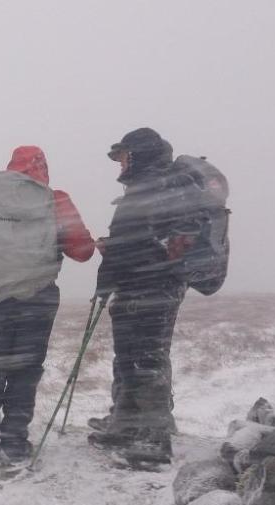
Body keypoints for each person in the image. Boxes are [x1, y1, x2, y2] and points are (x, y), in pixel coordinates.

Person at [0, 146, 94, 466]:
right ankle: (14, 442)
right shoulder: (55, 200)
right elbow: (82, 250)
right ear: (43, 169)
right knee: (25, 371)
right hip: (37, 299)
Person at [87, 127, 201, 464]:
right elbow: (146, 239)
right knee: (131, 358)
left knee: (144, 360)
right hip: (146, 284)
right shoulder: (158, 185)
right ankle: (127, 424)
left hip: (149, 285)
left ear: (139, 155)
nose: (120, 164)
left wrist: (116, 260)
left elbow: (148, 243)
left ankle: (153, 439)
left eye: (123, 156)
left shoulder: (158, 187)